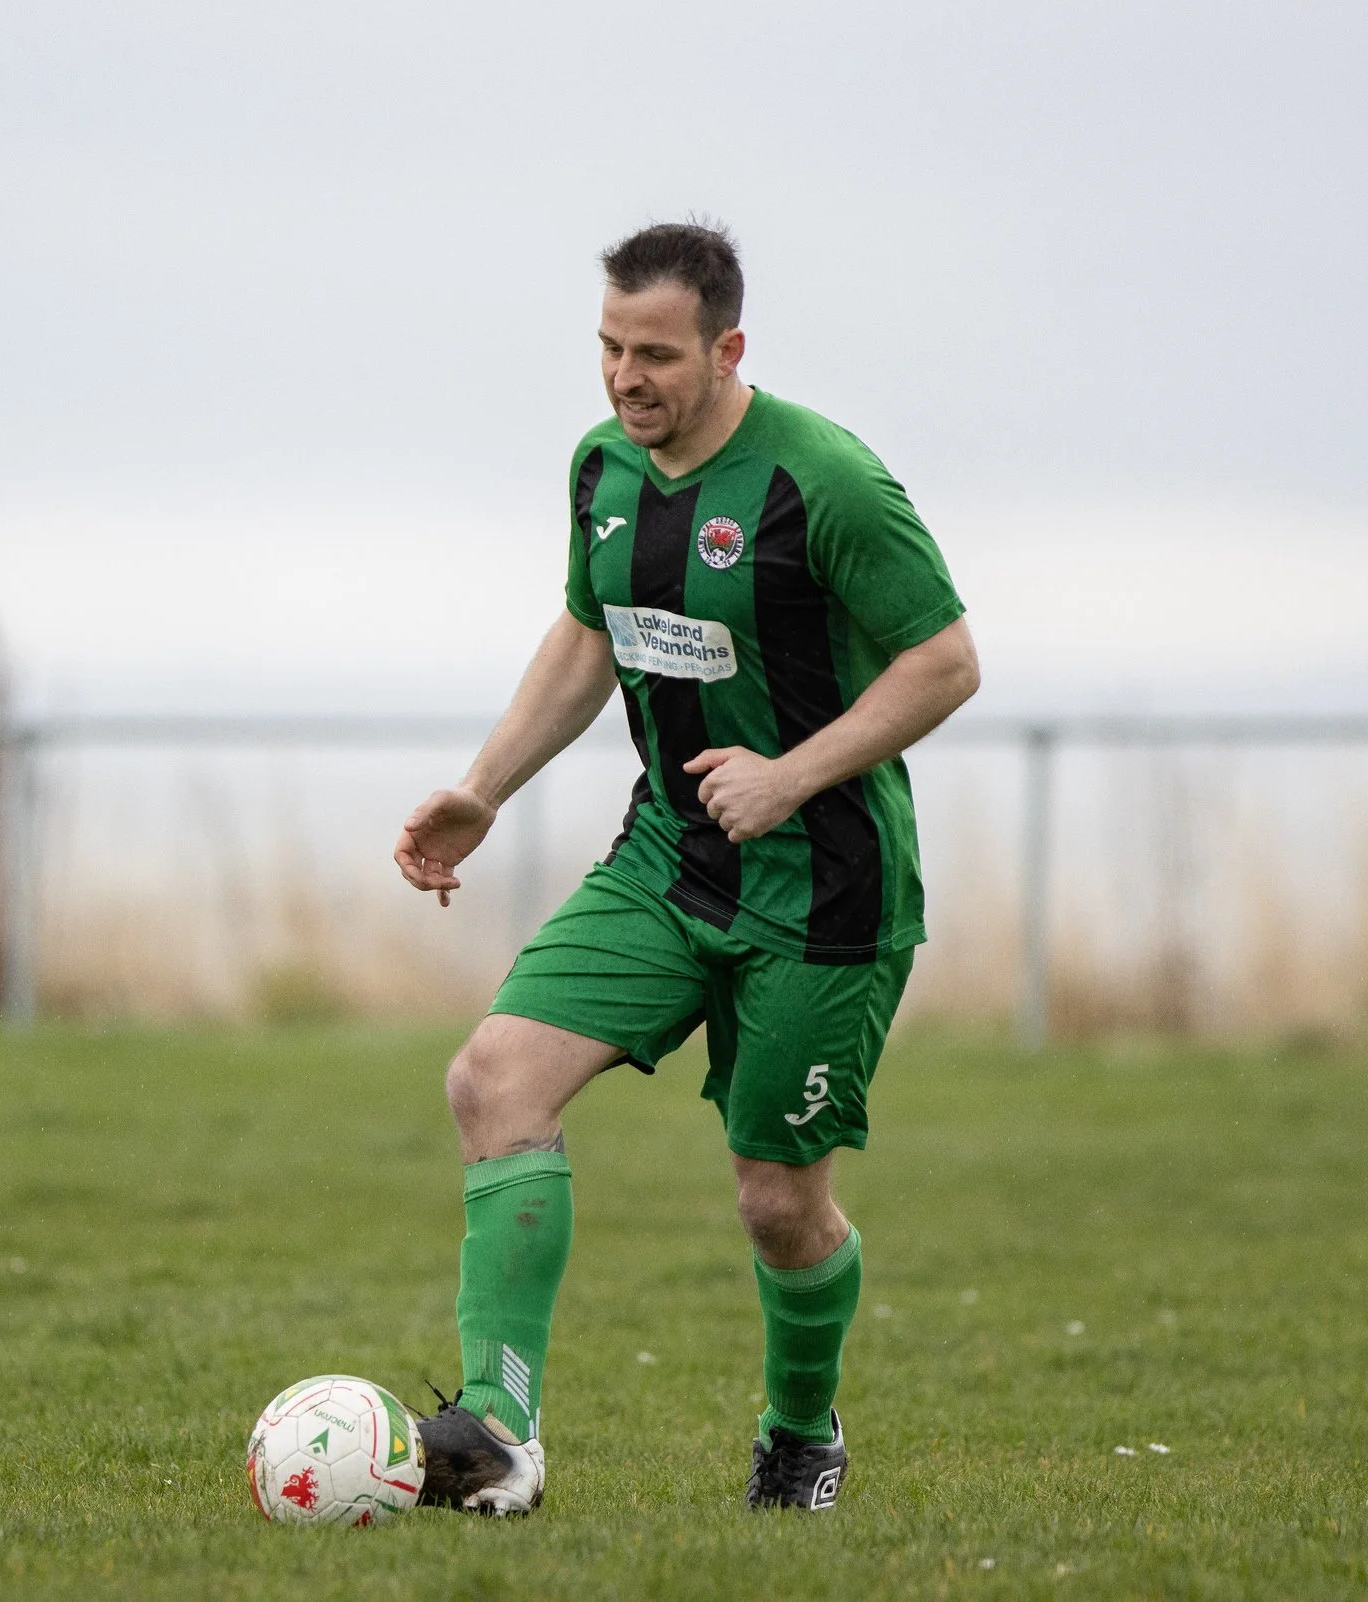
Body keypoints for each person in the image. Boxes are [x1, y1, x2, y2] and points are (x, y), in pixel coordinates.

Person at [393, 222, 979, 1514]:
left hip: (826, 889)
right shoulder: (603, 467)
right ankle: (495, 1433)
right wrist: (483, 789)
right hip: (670, 858)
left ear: (728, 349)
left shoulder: (826, 479)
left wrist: (791, 773)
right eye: (608, 346)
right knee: (494, 1078)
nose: (623, 376)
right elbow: (590, 629)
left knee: (778, 1202)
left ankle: (801, 1429)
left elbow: (945, 661)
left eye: (654, 353)